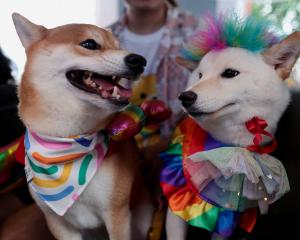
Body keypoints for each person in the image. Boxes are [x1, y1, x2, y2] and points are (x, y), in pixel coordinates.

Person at [110, 0, 199, 140]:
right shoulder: (105, 40)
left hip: (180, 152)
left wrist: (170, 144)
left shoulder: (199, 34)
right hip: (117, 152)